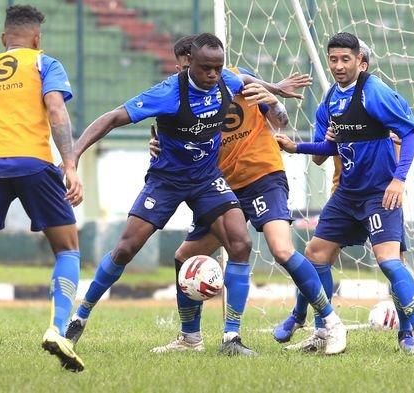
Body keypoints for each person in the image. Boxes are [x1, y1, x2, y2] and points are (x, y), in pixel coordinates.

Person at [63, 33, 307, 357]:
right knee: (126, 248)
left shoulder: (225, 79)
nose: (213, 75)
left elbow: (244, 78)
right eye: (206, 68)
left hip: (207, 179)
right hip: (167, 180)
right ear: (189, 62)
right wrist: (74, 156)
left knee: (241, 242)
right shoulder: (167, 94)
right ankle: (79, 318)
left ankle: (231, 339)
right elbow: (111, 118)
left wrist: (275, 88)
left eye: (218, 68)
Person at [147, 35, 347, 356]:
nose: (200, 77)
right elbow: (173, 139)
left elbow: (280, 121)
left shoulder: (236, 80)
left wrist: (273, 98)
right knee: (185, 256)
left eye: (206, 69)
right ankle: (190, 339)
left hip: (263, 175)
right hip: (221, 186)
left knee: (281, 249)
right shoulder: (180, 95)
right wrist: (158, 145)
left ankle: (330, 323)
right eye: (189, 70)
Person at [274, 32, 414, 354]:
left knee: (391, 262)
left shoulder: (375, 92)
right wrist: (296, 147)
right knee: (315, 255)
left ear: (361, 63)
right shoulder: (331, 100)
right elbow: (327, 148)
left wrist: (398, 180)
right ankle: (322, 329)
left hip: (380, 192)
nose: (338, 65)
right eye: (333, 59)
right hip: (347, 192)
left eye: (345, 59)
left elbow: (411, 135)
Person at [0, 5, 85, 374]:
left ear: (3, 39)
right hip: (34, 163)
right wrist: (69, 164)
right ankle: (57, 329)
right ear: (36, 38)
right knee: (68, 249)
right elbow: (56, 110)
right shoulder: (44, 64)